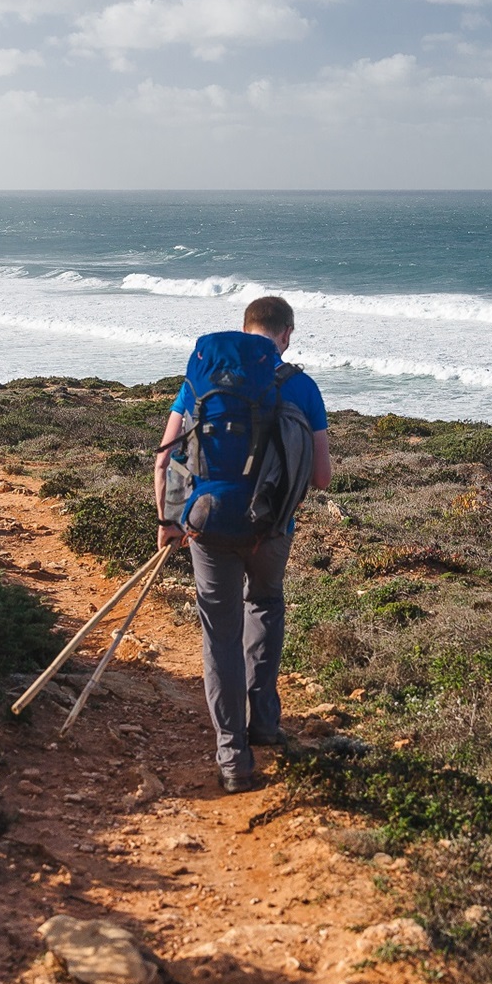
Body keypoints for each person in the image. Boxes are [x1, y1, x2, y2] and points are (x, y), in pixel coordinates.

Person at [155, 295, 331, 792]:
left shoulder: (201, 378)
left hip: (206, 524)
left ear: (244, 328)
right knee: (266, 604)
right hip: (272, 526)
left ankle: (233, 758)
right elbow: (320, 478)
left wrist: (168, 522)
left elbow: (165, 461)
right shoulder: (300, 385)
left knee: (220, 633)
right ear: (286, 335)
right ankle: (266, 724)